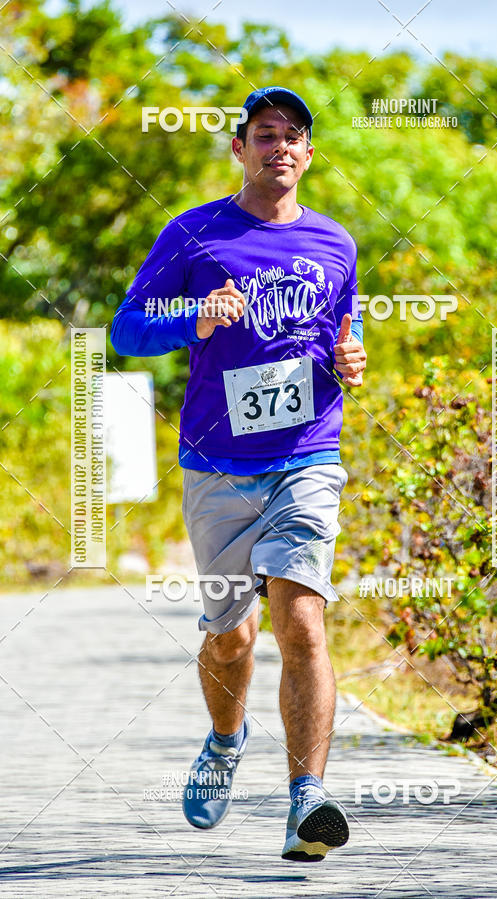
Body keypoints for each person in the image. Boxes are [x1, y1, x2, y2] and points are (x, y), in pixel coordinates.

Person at [110, 85, 367, 862]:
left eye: (293, 135)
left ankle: (305, 801)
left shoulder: (336, 245)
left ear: (309, 154)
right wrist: (197, 318)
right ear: (240, 148)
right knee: (231, 638)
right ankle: (226, 739)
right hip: (218, 465)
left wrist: (349, 361)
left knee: (302, 621)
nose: (279, 146)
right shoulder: (193, 234)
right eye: (264, 134)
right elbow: (126, 326)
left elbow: (339, 339)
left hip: (307, 455)